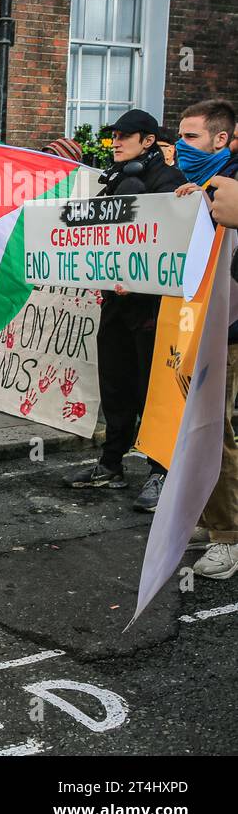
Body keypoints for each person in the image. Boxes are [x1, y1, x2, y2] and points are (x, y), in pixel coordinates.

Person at [63, 109, 186, 512]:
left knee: (154, 391)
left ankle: (160, 471)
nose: (115, 142)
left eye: (124, 136)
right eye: (114, 136)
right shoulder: (116, 178)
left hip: (153, 310)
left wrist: (139, 277)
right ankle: (111, 464)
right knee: (116, 385)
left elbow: (173, 241)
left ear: (147, 140)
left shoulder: (169, 182)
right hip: (116, 302)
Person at [172, 101, 238, 579]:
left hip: (230, 328)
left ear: (220, 139)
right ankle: (204, 514)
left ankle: (229, 536)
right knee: (190, 423)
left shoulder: (232, 184)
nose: (180, 146)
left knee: (218, 429)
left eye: (191, 137)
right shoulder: (200, 188)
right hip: (193, 321)